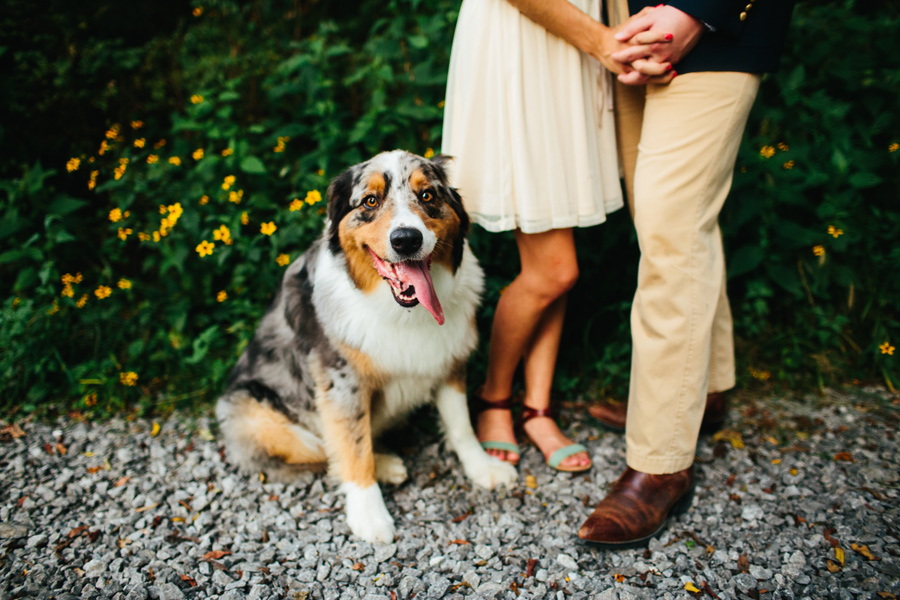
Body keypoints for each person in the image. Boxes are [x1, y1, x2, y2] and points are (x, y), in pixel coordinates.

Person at [578, 0, 795, 546]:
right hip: (632, 26)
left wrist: (701, 10)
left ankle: (661, 462)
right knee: (675, 225)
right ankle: (700, 393)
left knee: (672, 227)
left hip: (716, 28)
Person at [441, 0, 673, 472]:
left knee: (555, 258)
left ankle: (538, 408)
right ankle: (494, 398)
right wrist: (602, 40)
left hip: (570, 51)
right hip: (526, 45)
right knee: (555, 269)